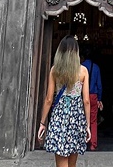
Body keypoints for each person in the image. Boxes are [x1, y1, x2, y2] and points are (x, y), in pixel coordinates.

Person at [37, 36, 91, 167]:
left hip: (60, 116)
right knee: (72, 163)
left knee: (61, 160)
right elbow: (86, 100)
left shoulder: (55, 70)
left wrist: (42, 123)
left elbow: (49, 99)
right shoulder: (83, 71)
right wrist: (87, 125)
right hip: (76, 117)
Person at [79, 49, 103, 150]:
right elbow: (99, 85)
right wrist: (100, 99)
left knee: (81, 119)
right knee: (93, 120)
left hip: (81, 95)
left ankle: (82, 143)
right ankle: (93, 144)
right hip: (93, 96)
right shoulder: (96, 67)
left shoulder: (80, 67)